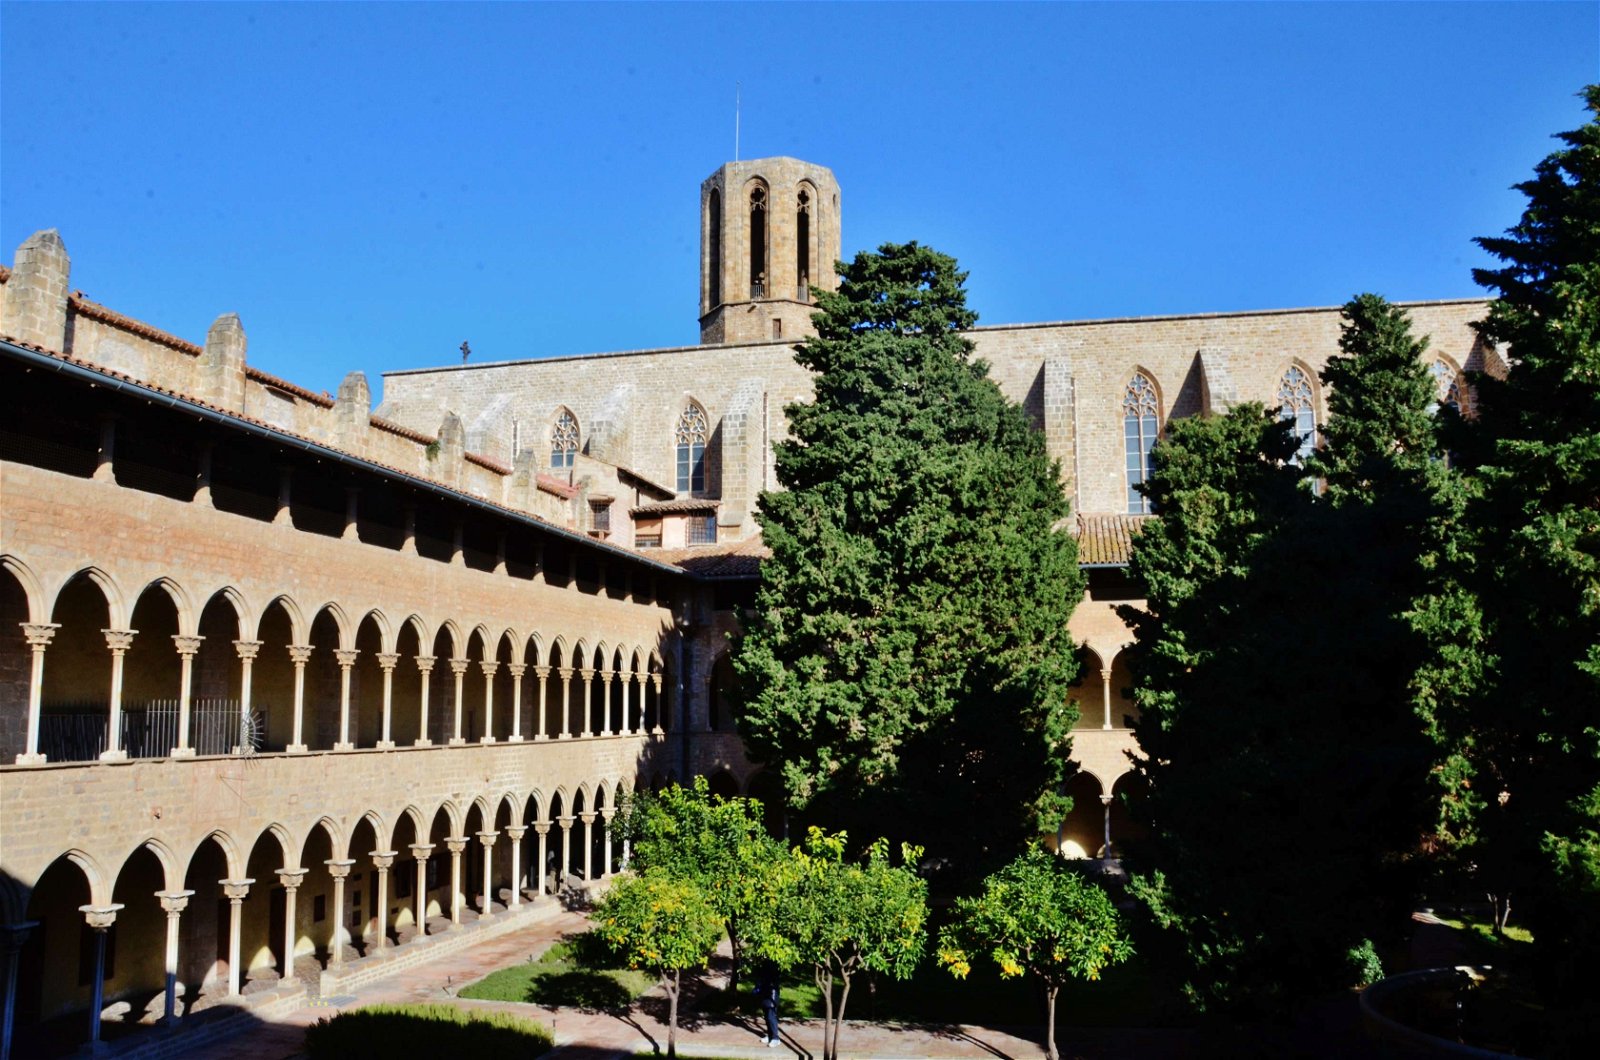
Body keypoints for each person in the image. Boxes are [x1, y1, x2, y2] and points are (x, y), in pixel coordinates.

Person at [754, 959, 781, 1047]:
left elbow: (773, 981)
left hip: (771, 994)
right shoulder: (763, 965)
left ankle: (775, 1038)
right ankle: (770, 1036)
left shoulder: (773, 966)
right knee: (767, 1016)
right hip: (765, 992)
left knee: (771, 1016)